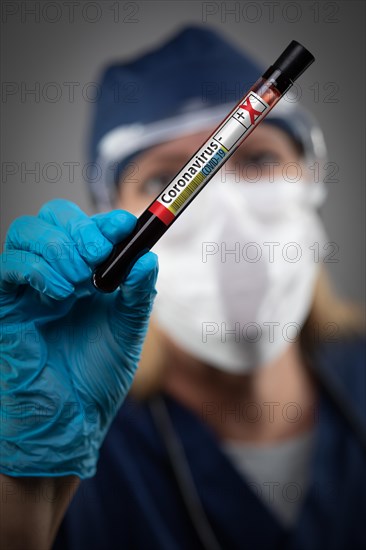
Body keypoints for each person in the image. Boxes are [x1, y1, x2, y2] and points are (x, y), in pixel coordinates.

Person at [1, 27, 365, 550]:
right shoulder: (75, 446)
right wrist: (24, 503)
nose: (225, 212)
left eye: (259, 160)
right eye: (159, 179)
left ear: (311, 174)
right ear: (109, 222)